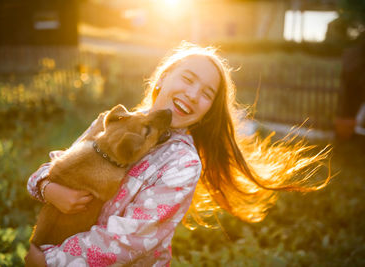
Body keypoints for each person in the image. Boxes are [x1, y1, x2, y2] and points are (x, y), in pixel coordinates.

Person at [25, 42, 331, 266]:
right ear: (163, 78)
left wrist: (52, 261)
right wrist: (47, 187)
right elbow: (62, 164)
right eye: (187, 79)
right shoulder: (115, 120)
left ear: (206, 114)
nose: (192, 95)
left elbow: (128, 239)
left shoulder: (182, 164)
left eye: (206, 94)